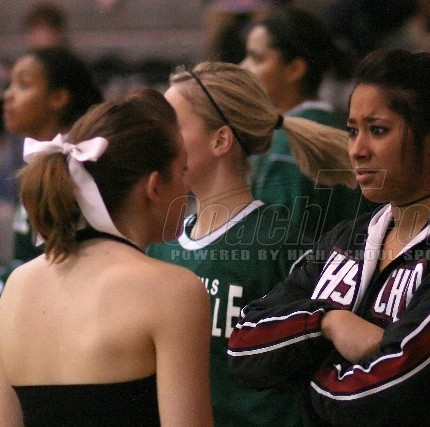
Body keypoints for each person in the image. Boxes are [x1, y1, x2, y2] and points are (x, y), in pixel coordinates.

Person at [228, 48, 430, 425]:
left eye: (378, 130)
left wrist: (309, 375)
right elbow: (243, 344)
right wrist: (328, 323)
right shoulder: (350, 237)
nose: (357, 150)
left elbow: (396, 385)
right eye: (352, 131)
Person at [147, 60, 355, 426]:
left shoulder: (285, 249)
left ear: (220, 140)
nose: (160, 141)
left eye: (173, 127)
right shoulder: (160, 245)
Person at [0, 89, 213, 425]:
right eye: (182, 172)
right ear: (154, 187)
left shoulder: (17, 285)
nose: (188, 188)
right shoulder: (174, 291)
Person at [240, 7, 367, 241]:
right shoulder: (336, 124)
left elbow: (280, 247)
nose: (243, 67)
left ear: (295, 69)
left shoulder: (285, 147)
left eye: (256, 59)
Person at [0, 47, 103, 289]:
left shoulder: (77, 168)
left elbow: (64, 266)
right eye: (10, 84)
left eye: (23, 85)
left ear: (57, 98)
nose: (7, 96)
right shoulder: (37, 160)